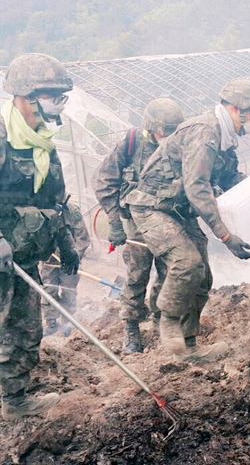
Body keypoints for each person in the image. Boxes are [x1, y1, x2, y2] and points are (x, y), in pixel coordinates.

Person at [124, 79, 250, 362]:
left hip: (179, 210)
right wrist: (225, 235)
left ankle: (189, 348)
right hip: (153, 207)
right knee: (186, 263)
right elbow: (197, 186)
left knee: (202, 276)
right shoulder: (205, 133)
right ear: (236, 109)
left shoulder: (225, 140)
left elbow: (227, 178)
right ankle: (169, 321)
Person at [0, 53, 79, 420]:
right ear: (26, 96)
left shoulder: (43, 141)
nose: (59, 104)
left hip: (23, 254)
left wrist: (66, 243)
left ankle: (16, 402)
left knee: (26, 329)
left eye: (62, 97)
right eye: (53, 96)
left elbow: (56, 199)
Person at [94, 98, 183, 354]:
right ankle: (131, 327)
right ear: (151, 127)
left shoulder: (179, 147)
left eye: (172, 130)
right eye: (163, 130)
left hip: (168, 221)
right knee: (137, 274)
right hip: (135, 222)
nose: (167, 135)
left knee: (168, 273)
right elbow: (104, 181)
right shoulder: (132, 143)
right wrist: (114, 221)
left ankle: (160, 320)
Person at [40, 202, 90, 336]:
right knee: (48, 290)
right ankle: (51, 323)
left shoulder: (71, 209)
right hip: (49, 260)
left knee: (69, 291)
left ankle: (67, 323)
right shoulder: (40, 205)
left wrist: (74, 258)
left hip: (70, 260)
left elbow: (82, 238)